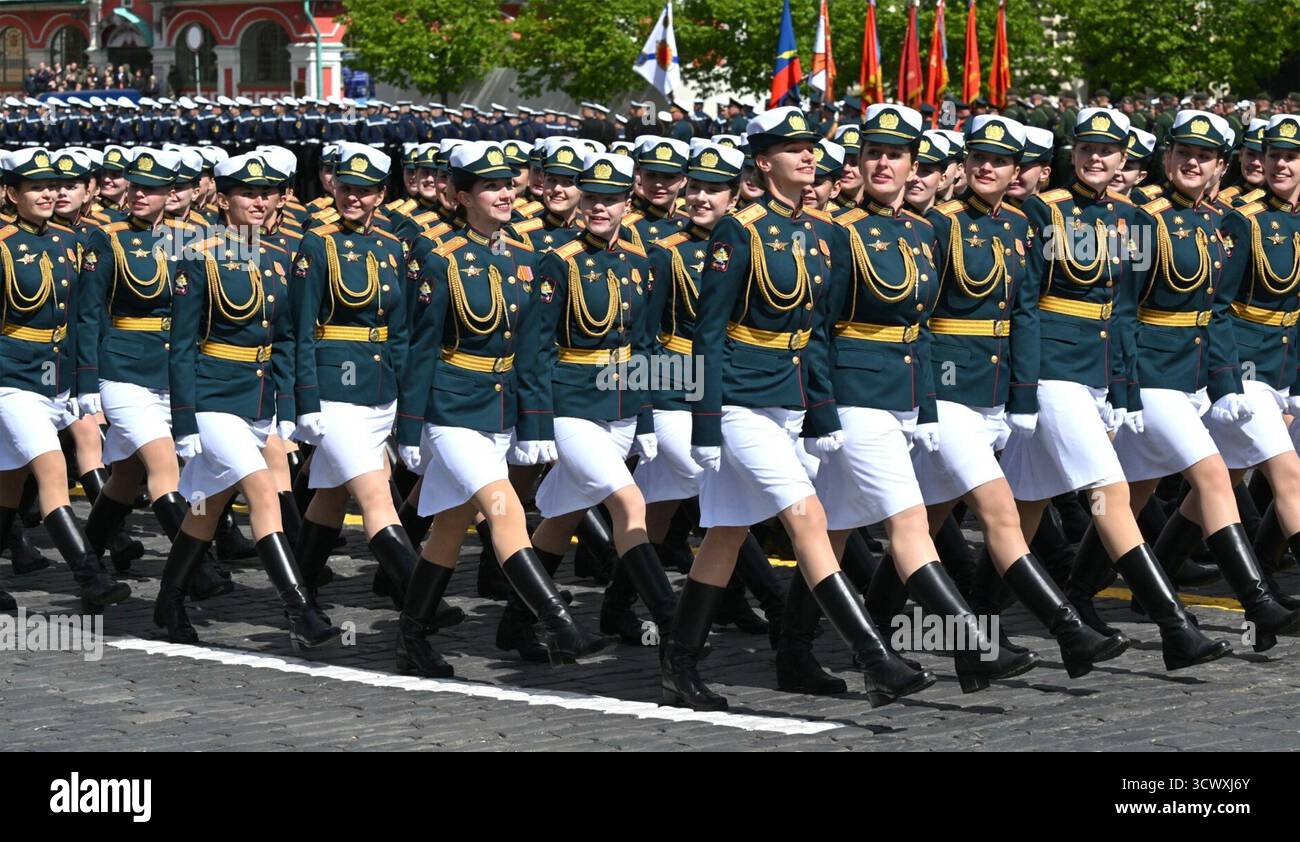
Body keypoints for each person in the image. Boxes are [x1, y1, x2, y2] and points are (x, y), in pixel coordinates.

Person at [674, 106, 936, 710]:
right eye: (792, 149)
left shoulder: (820, 232)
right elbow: (707, 332)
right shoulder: (738, 231)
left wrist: (819, 416)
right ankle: (876, 657)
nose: (808, 156)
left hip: (786, 403)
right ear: (763, 162)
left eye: (811, 147)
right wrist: (706, 420)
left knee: (725, 533)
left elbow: (818, 334)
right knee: (809, 517)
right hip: (739, 399)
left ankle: (680, 660)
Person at [1000, 106, 1233, 670]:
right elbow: (1024, 305)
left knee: (1023, 508)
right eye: (1085, 149)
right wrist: (1024, 388)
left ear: (1125, 159)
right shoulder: (1042, 212)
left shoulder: (1132, 220)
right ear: (1070, 154)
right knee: (1109, 491)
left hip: (1095, 375)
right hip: (1052, 370)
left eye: (1107, 151)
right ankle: (1175, 625)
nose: (1096, 158)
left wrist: (1123, 389)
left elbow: (1125, 310)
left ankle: (980, 631)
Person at [917, 115, 1131, 674]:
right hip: (945, 388)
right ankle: (1070, 632)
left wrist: (1021, 396)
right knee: (1000, 510)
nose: (988, 168)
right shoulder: (937, 226)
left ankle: (859, 632)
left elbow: (1024, 314)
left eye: (1001, 161)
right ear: (963, 166)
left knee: (918, 524)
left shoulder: (1016, 226)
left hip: (993, 389)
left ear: (1019, 171)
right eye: (978, 159)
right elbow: (915, 318)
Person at [395, 140, 612, 674]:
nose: (504, 194)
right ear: (461, 195)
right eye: (489, 186)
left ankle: (412, 636)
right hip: (450, 406)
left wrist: (533, 420)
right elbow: (419, 347)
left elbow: (533, 351)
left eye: (508, 184)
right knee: (505, 510)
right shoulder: (437, 255)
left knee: (450, 525)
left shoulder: (525, 258)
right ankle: (560, 623)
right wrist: (409, 428)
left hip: (499, 409)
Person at [1101, 110, 1300, 652]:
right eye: (1183, 152)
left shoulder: (1213, 220)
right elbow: (1120, 309)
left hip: (1200, 375)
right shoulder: (1147, 219)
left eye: (1204, 155)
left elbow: (1214, 312)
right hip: (1153, 375)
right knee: (1226, 476)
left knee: (1140, 492)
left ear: (1219, 165)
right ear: (1166, 159)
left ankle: (1087, 592)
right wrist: (1121, 386)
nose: (1192, 162)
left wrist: (1225, 382)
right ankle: (1257, 602)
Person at [155, 152, 340, 647]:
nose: (259, 202)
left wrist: (288, 407)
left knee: (206, 507)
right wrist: (185, 419)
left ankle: (168, 600)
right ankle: (300, 609)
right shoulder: (196, 254)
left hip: (256, 401)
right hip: (211, 396)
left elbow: (287, 341)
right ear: (222, 198)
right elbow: (182, 345)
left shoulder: (283, 258)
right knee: (261, 490)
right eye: (247, 193)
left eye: (267, 193)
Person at [522, 151, 681, 659]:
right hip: (570, 404)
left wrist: (648, 415)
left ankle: (516, 621)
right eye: (591, 198)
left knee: (565, 514)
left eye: (610, 200)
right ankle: (674, 621)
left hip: (621, 407)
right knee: (629, 503)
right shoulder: (558, 261)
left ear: (627, 203)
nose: (599, 209)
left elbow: (647, 343)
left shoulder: (640, 261)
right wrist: (538, 421)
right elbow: (536, 348)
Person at [75, 147, 230, 597]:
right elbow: (89, 315)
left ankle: (87, 563)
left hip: (173, 371)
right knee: (166, 464)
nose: (141, 194)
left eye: (154, 188)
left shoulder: (191, 238)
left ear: (172, 193)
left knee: (125, 476)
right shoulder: (108, 237)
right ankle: (195, 569)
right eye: (136, 185)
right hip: (123, 370)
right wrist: (87, 380)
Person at [288, 142, 425, 621]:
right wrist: (303, 400)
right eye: (347, 188)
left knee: (329, 494)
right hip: (333, 391)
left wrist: (407, 398)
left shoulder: (393, 248)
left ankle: (298, 599)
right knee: (374, 495)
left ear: (381, 194)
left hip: (379, 388)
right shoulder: (315, 244)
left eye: (365, 192)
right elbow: (300, 328)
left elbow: (403, 331)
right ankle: (419, 598)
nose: (354, 199)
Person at [0, 148, 133, 613]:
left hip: (51, 376)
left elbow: (79, 318)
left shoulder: (66, 241)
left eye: (51, 186)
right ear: (10, 193)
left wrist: (82, 382)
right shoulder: (0, 242)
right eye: (34, 186)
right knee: (53, 466)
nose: (47, 194)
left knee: (10, 480)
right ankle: (90, 576)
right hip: (9, 377)